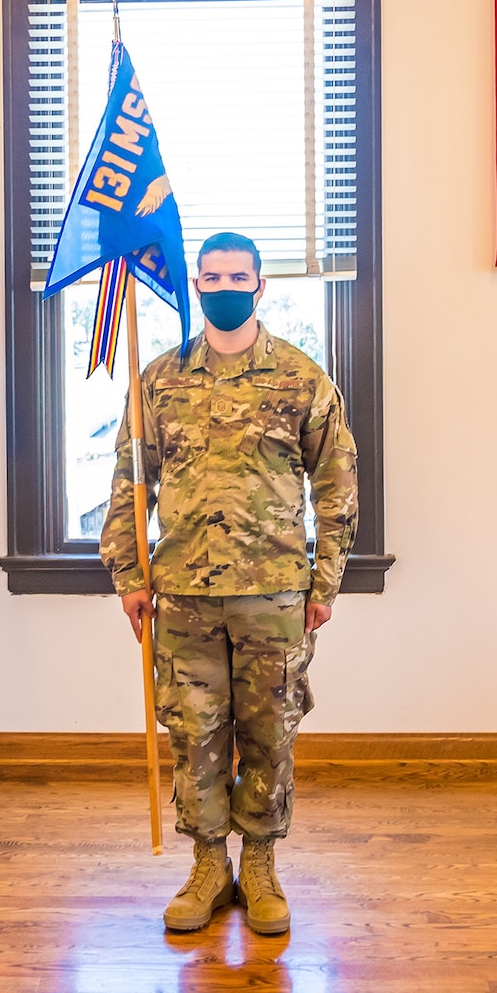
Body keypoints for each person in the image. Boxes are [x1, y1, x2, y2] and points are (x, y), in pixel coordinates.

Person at [100, 231, 359, 935]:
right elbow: (130, 484)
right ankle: (209, 862)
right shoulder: (158, 378)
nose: (223, 286)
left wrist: (325, 581)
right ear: (196, 282)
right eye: (210, 276)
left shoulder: (302, 378)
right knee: (196, 731)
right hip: (182, 593)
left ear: (260, 285)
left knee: (270, 730)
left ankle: (263, 862)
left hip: (274, 593)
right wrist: (130, 575)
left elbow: (337, 486)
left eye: (237, 275)